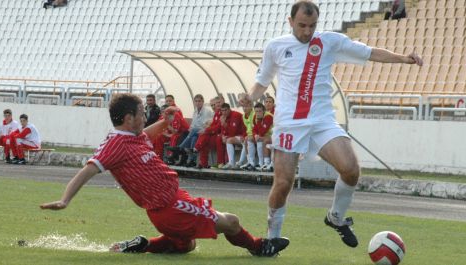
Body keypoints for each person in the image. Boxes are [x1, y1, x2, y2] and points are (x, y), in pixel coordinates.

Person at [240, 0, 423, 248]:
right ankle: (271, 240)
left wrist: (404, 59)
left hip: (322, 120)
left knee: (351, 169)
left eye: (312, 26)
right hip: (289, 124)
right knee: (283, 183)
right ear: (290, 21)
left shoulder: (328, 41)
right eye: (302, 25)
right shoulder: (276, 47)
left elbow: (368, 52)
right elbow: (262, 81)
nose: (307, 31)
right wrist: (250, 98)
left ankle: (336, 218)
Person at [40, 94, 289, 256]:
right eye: (141, 114)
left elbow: (144, 136)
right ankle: (260, 247)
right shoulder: (114, 145)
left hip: (170, 203)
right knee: (231, 222)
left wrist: (163, 121)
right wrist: (65, 199)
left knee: (187, 245)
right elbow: (88, 169)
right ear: (129, 119)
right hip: (170, 205)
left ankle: (143, 244)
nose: (144, 117)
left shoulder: (129, 137)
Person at [174, 94, 213, 167]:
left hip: (204, 132)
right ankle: (192, 160)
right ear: (194, 102)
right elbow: (193, 124)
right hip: (196, 132)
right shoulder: (195, 111)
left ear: (203, 102)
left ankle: (180, 147)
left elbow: (205, 125)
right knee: (193, 138)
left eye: (199, 101)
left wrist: (194, 129)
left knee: (194, 130)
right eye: (196, 101)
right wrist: (191, 128)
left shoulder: (207, 111)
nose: (198, 103)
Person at [193, 96, 226, 169]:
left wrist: (206, 129)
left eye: (219, 102)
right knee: (205, 140)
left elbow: (218, 127)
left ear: (223, 101)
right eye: (216, 103)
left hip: (223, 134)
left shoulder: (225, 112)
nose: (217, 104)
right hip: (216, 134)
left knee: (206, 135)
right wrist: (207, 128)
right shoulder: (217, 113)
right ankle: (203, 163)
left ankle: (220, 163)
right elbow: (214, 125)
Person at [219, 103, 245, 170]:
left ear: (229, 109)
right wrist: (223, 136)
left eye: (225, 110)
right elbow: (222, 130)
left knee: (229, 140)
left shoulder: (235, 115)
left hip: (243, 135)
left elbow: (233, 132)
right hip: (236, 136)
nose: (224, 112)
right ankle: (226, 162)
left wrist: (224, 124)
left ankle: (236, 163)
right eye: (222, 111)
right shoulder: (223, 117)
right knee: (222, 139)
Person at [250, 103, 274, 171]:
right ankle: (253, 163)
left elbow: (262, 132)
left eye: (259, 111)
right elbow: (254, 130)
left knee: (263, 140)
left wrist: (259, 121)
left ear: (264, 111)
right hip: (266, 136)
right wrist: (255, 135)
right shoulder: (255, 116)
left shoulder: (268, 116)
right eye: (256, 111)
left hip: (275, 136)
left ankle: (266, 163)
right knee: (249, 139)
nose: (257, 113)